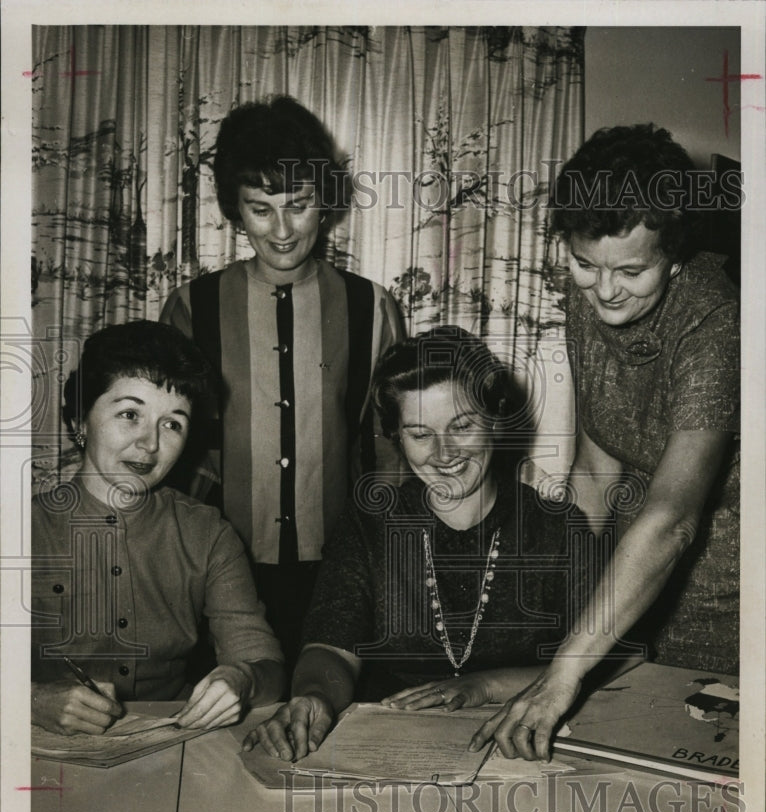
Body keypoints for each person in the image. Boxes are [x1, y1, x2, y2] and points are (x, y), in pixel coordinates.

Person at [468, 123, 740, 761]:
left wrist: (564, 673)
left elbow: (673, 520)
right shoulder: (584, 292)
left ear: (673, 257)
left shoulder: (716, 324)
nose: (606, 290)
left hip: (732, 586)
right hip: (638, 576)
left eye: (632, 271)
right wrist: (569, 605)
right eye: (585, 264)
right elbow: (597, 465)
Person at [245, 328, 602, 761]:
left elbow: (609, 655)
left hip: (520, 745)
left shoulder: (556, 526)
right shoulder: (370, 522)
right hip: (389, 750)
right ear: (397, 438)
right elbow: (330, 647)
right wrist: (314, 698)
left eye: (462, 426)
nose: (443, 452)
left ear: (495, 419)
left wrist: (484, 685)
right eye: (420, 433)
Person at [160, 96, 403, 664]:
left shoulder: (372, 307)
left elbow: (390, 446)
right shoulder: (191, 309)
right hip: (221, 568)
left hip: (344, 564)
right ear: (234, 209)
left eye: (299, 204)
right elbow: (178, 450)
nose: (284, 229)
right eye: (260, 208)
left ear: (325, 202)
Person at [32, 321, 285, 736]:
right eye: (130, 414)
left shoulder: (207, 533)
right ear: (81, 420)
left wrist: (242, 679)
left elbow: (267, 665)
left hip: (168, 741)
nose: (149, 444)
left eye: (172, 424)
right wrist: (29, 698)